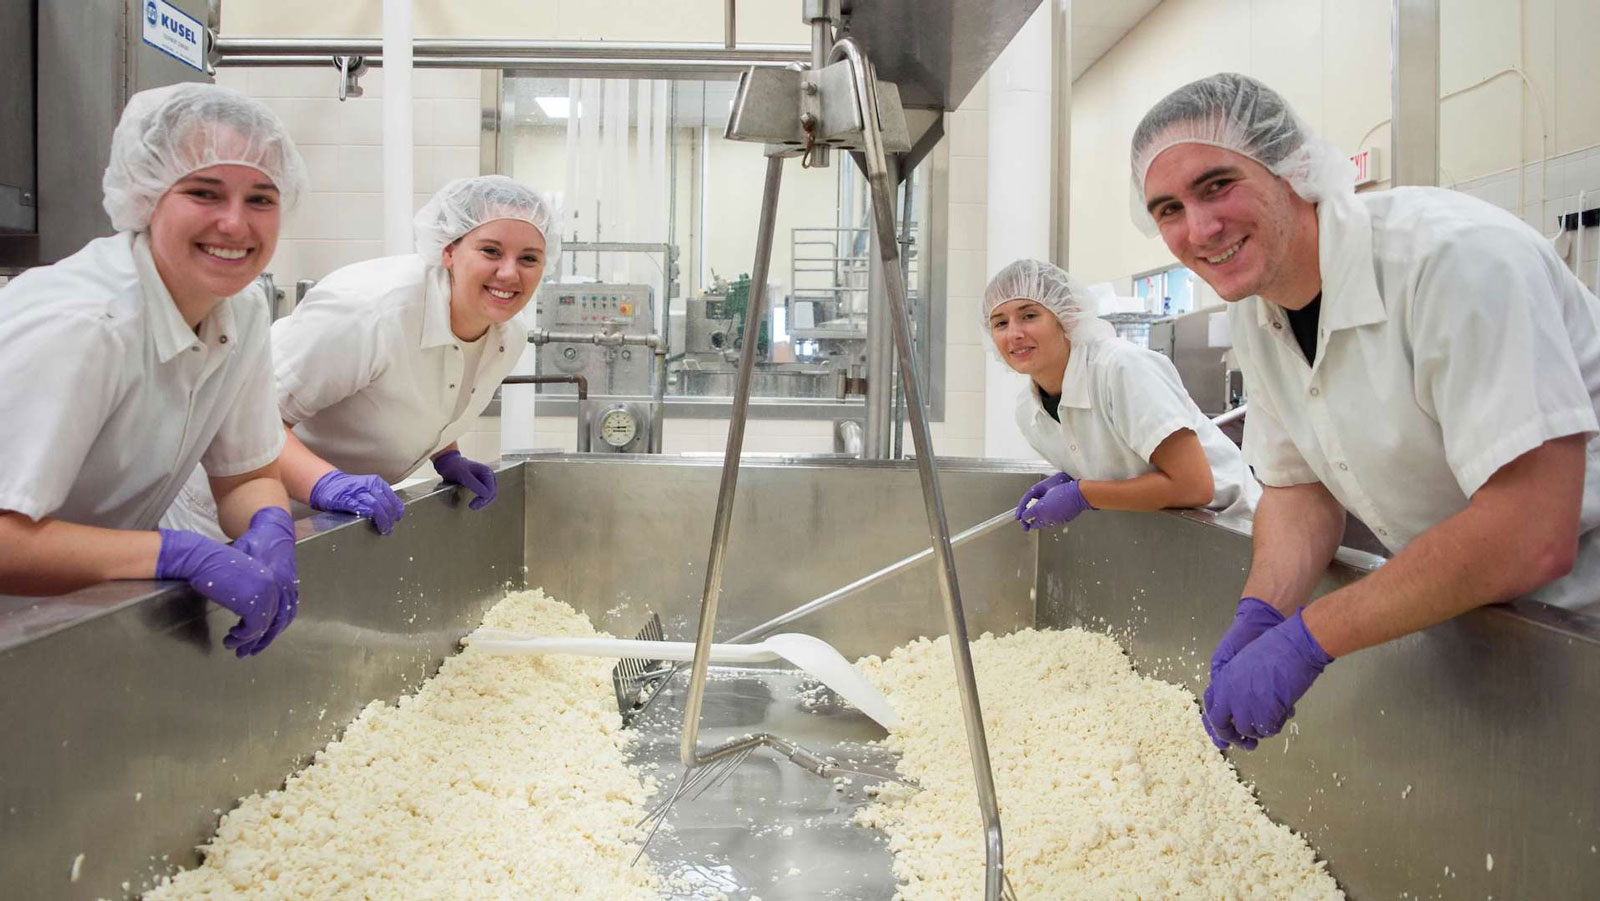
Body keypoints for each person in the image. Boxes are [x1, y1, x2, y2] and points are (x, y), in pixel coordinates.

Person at [1131, 72, 1600, 751]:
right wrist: (1261, 613)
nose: (1199, 228)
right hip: (1494, 614)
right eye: (1168, 209)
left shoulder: (1454, 261)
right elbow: (1299, 492)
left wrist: (1311, 636)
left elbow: (1533, 529)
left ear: (1289, 168)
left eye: (1217, 185)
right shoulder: (1259, 315)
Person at [0, 83, 310, 656]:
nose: (235, 225)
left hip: (67, 619)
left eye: (261, 199)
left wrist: (270, 526)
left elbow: (244, 475)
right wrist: (174, 553)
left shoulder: (238, 308)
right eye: (204, 192)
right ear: (147, 197)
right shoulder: (86, 323)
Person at [164, 175, 559, 538]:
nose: (509, 274)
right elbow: (245, 417)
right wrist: (325, 483)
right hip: (224, 515)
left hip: (325, 527)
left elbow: (430, 391)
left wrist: (446, 454)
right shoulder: (369, 312)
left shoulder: (508, 336)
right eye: (491, 251)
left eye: (529, 258)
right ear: (449, 251)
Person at [988, 259, 1259, 531]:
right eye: (1000, 323)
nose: (1014, 334)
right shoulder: (1029, 413)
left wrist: (1082, 494)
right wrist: (1075, 480)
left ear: (1065, 317)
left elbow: (1194, 486)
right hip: (1167, 533)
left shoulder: (1122, 369)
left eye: (1029, 316)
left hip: (1235, 527)